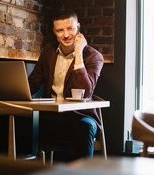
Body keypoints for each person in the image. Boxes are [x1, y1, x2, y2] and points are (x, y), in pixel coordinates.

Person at [28, 9, 104, 161]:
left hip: (81, 116)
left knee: (86, 127)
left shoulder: (94, 56)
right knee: (20, 122)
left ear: (78, 27)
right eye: (60, 30)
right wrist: (14, 91)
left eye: (70, 28)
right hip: (51, 115)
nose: (66, 35)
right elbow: (33, 82)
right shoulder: (49, 51)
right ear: (54, 31)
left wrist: (79, 53)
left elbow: (86, 92)